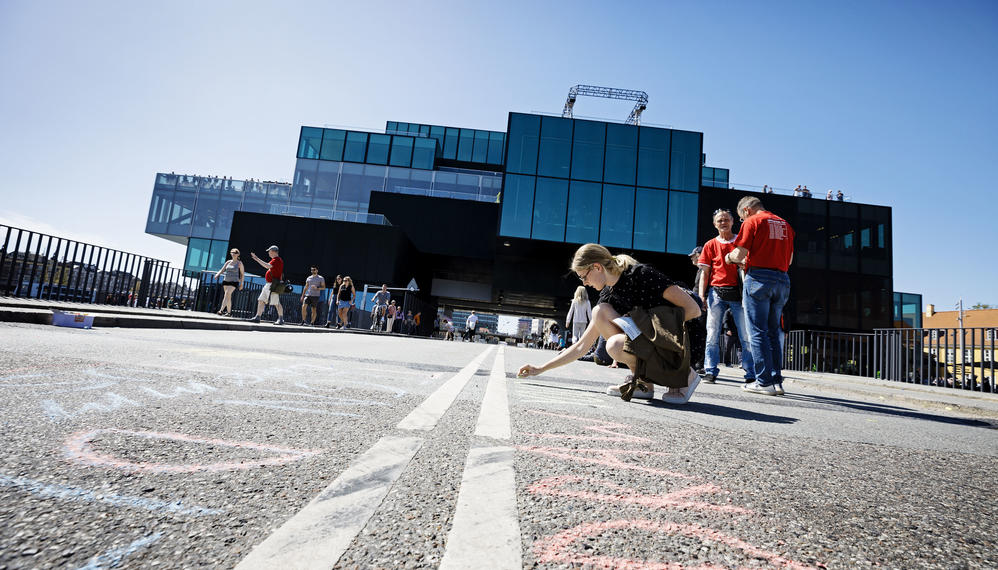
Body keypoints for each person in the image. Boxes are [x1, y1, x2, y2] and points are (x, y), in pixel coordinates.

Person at [517, 243, 703, 404]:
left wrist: (649, 327)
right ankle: (644, 382)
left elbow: (694, 310)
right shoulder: (608, 294)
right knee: (600, 312)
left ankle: (685, 374)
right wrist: (540, 369)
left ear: (597, 267)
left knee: (614, 344)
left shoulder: (641, 275)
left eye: (584, 276)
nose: (585, 283)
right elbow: (582, 345)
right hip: (656, 338)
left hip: (684, 341)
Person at [724, 196, 794, 396]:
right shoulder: (786, 225)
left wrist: (729, 257)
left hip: (759, 279)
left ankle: (763, 382)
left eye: (740, 217)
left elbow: (738, 255)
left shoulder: (752, 221)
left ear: (746, 210)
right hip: (782, 279)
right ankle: (776, 380)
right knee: (774, 331)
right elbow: (789, 259)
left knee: (757, 330)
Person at [696, 209, 755, 384]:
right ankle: (710, 370)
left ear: (732, 221)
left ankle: (750, 372)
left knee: (745, 335)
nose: (723, 222)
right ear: (715, 224)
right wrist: (701, 295)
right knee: (712, 333)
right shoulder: (709, 245)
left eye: (726, 219)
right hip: (716, 292)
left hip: (738, 292)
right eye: (720, 220)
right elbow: (705, 273)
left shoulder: (741, 242)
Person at [247, 245, 284, 325]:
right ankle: (257, 317)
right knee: (261, 300)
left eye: (269, 251)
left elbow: (267, 266)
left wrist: (257, 259)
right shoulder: (276, 260)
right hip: (269, 284)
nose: (269, 253)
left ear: (273, 251)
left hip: (272, 285)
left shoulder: (276, 259)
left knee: (276, 302)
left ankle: (281, 319)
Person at [214, 248, 244, 316]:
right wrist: (217, 274)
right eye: (232, 252)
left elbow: (242, 274)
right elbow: (222, 270)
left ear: (238, 254)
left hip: (234, 281)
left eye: (235, 253)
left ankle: (222, 310)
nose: (233, 254)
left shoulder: (239, 263)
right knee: (227, 296)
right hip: (226, 280)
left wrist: (242, 284)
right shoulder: (228, 262)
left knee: (227, 293)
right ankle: (228, 312)